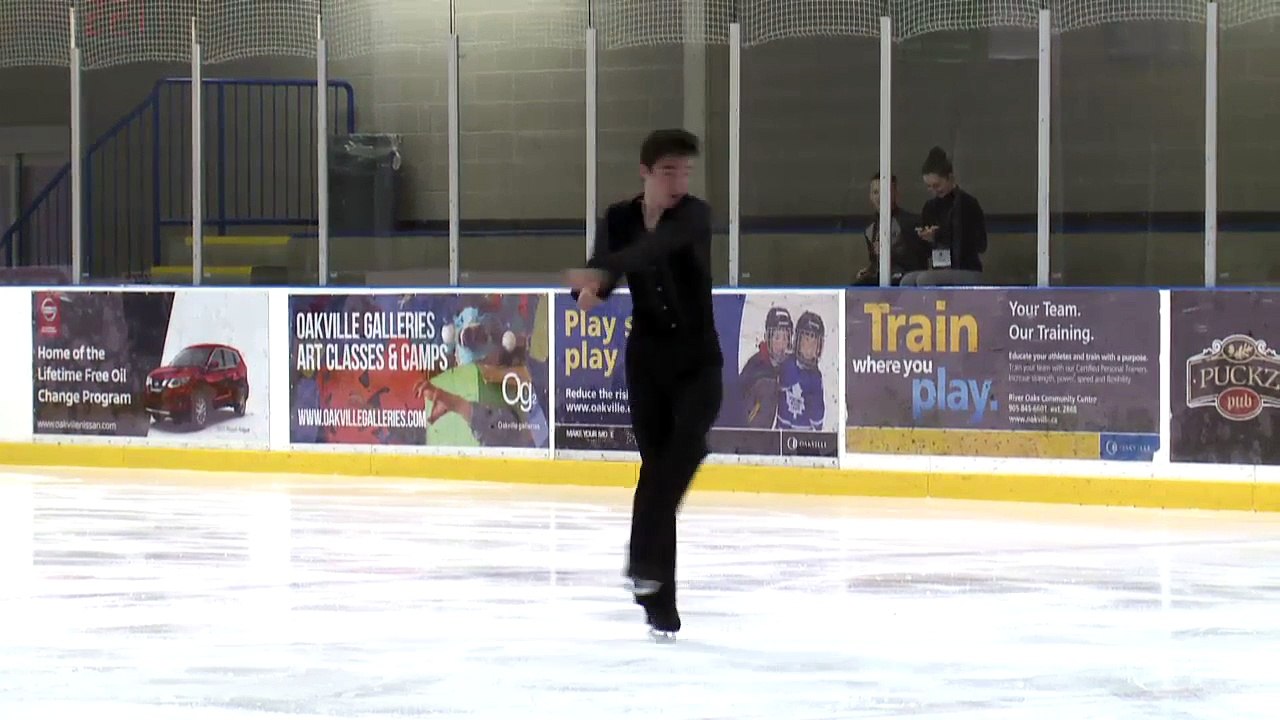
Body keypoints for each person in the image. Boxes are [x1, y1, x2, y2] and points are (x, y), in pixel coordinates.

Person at [563, 128, 723, 641]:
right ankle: (660, 607)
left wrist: (604, 270)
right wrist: (593, 287)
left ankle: (640, 559)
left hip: (698, 359)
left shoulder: (694, 216)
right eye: (670, 171)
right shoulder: (617, 219)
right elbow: (601, 275)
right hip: (648, 359)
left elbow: (655, 249)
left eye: (686, 171)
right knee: (655, 470)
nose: (680, 181)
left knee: (685, 449)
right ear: (646, 172)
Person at [900, 146, 988, 287]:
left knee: (925, 280)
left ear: (950, 178)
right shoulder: (930, 207)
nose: (934, 191)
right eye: (929, 187)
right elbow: (923, 251)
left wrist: (940, 235)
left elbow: (980, 244)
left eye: (937, 185)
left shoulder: (967, 204)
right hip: (938, 267)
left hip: (965, 268)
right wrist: (923, 239)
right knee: (907, 281)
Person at [852, 173, 929, 286]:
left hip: (904, 278)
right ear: (870, 196)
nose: (879, 197)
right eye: (875, 192)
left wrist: (889, 252)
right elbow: (875, 261)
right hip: (882, 278)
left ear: (895, 194)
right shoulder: (870, 227)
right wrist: (869, 271)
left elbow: (918, 260)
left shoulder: (910, 222)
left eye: (884, 191)